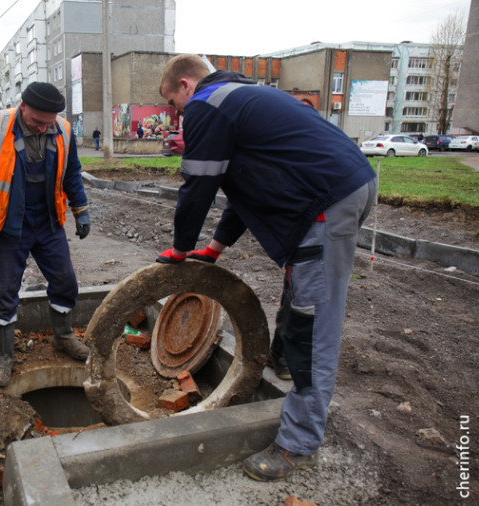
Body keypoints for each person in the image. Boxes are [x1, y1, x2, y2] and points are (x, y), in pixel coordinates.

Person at [156, 55, 377, 482]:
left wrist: (181, 249)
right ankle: (284, 361)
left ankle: (298, 444)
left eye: (175, 105)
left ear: (186, 85)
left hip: (327, 202)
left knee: (316, 321)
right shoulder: (241, 97)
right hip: (340, 188)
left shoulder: (207, 103)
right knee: (302, 284)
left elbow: (198, 185)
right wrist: (214, 249)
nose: (178, 116)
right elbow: (243, 190)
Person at [0, 82, 91, 388]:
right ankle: (3, 356)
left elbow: (72, 171)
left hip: (48, 223)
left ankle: (63, 337)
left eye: (47, 123)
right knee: (5, 293)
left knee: (65, 281)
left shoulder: (62, 129)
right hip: (9, 227)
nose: (42, 127)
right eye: (37, 121)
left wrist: (81, 209)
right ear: (23, 107)